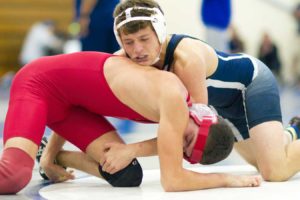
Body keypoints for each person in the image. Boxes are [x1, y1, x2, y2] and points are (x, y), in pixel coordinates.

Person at [0, 51, 260, 194]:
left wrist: (51, 154)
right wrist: (227, 179)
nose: (178, 143)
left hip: (69, 106)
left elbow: (77, 97)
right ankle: (43, 155)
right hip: (38, 85)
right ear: (200, 118)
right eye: (188, 138)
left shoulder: (180, 119)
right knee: (14, 175)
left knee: (126, 174)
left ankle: (54, 157)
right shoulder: (173, 94)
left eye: (185, 150)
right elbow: (173, 182)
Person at [111, 0, 300, 182]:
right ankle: (293, 131)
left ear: (160, 32)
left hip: (252, 83)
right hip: (223, 105)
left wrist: (131, 150)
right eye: (128, 42)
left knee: (274, 170)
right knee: (263, 161)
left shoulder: (186, 59)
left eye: (144, 39)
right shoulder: (123, 58)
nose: (137, 50)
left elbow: (190, 131)